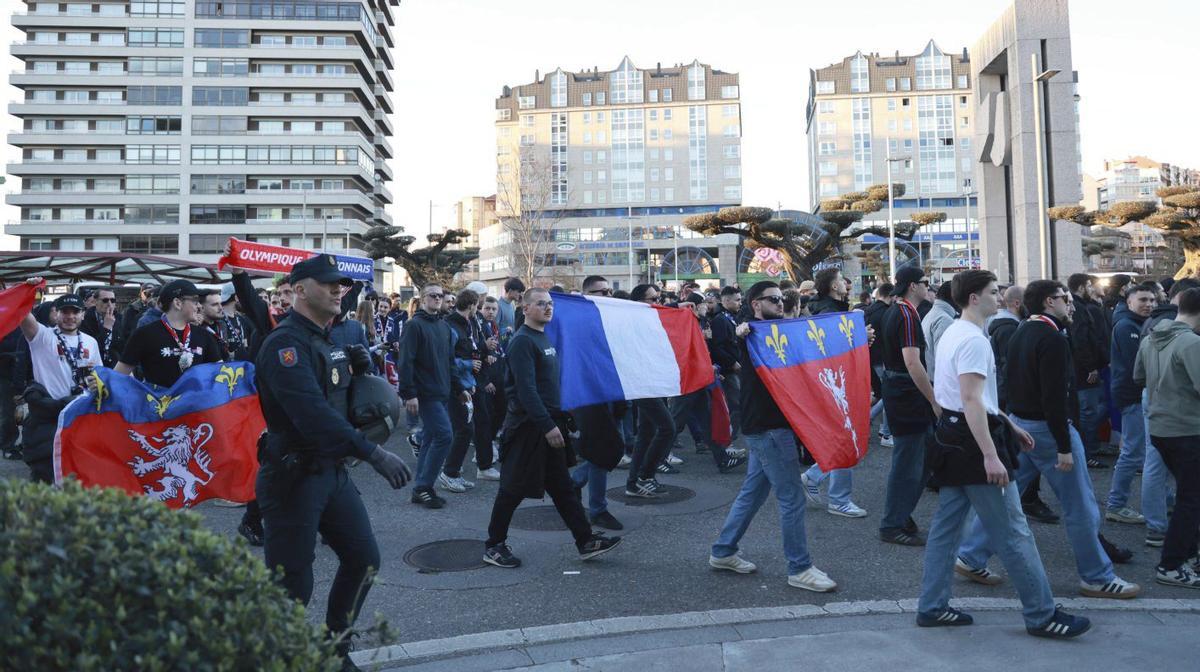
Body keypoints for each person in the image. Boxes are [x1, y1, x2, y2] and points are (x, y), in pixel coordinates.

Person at [253, 254, 412, 671]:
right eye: (328, 284)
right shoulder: (285, 344)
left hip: (330, 472)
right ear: (300, 290)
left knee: (364, 559)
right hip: (293, 477)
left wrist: (361, 373)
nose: (338, 289)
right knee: (292, 586)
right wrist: (374, 453)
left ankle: (332, 650)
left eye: (340, 283)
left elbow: (340, 403)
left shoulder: (327, 338)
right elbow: (312, 416)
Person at [917, 270, 1091, 638]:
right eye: (994, 292)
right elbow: (969, 399)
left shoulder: (956, 332)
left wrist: (1008, 425)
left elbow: (965, 397)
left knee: (946, 531)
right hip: (972, 442)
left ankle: (932, 607)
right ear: (975, 298)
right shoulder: (973, 340)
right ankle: (1042, 615)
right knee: (1014, 532)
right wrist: (991, 454)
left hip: (953, 437)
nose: (1002, 298)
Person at [955, 280, 1140, 599]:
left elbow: (1012, 381)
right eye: (1064, 299)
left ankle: (971, 555)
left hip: (1021, 424)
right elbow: (1055, 397)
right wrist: (1065, 446)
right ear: (1047, 302)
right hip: (1047, 430)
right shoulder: (1051, 337)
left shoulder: (1022, 330)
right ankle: (1097, 576)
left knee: (1003, 499)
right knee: (1080, 507)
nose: (1071, 304)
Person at [708, 280, 836, 592]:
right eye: (773, 300)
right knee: (791, 498)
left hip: (769, 428)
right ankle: (799, 568)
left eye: (782, 299)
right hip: (769, 429)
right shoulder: (752, 333)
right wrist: (742, 330)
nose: (781, 304)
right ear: (755, 304)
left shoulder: (779, 331)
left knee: (753, 493)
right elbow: (741, 335)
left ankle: (723, 551)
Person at [483, 288, 622, 568]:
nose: (548, 308)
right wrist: (547, 425)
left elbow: (547, 385)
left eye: (550, 304)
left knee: (562, 488)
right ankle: (494, 546)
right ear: (525, 308)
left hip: (548, 423)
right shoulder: (523, 341)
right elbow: (525, 391)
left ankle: (585, 541)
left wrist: (560, 416)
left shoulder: (541, 336)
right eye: (541, 304)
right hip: (527, 428)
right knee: (511, 489)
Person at [1135, 287, 1200, 588]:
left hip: (1161, 426)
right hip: (1188, 428)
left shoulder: (1151, 338)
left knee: (1189, 496)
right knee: (1190, 500)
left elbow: (1138, 377)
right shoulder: (1190, 343)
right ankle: (1171, 564)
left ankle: (1188, 556)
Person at [800, 268, 867, 518]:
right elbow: (829, 349)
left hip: (839, 381)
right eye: (840, 280)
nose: (845, 283)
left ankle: (815, 476)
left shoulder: (833, 309)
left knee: (845, 436)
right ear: (832, 287)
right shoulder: (829, 313)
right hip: (835, 382)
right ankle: (839, 498)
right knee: (847, 436)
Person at [17, 287, 102, 483]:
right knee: (46, 476)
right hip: (50, 418)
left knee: (77, 476)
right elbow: (20, 313)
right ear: (56, 314)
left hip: (79, 417)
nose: (70, 316)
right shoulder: (43, 337)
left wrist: (96, 385)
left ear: (83, 314)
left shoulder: (90, 342)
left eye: (75, 312)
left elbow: (100, 376)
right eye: (65, 312)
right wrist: (28, 289)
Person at [878, 267, 937, 546]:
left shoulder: (897, 310)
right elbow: (912, 363)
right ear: (913, 286)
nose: (929, 287)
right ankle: (892, 523)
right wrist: (933, 399)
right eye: (926, 283)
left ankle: (901, 514)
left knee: (921, 460)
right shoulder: (906, 313)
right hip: (906, 393)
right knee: (908, 464)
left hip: (900, 390)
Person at [397, 284, 464, 509]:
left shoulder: (444, 327)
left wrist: (460, 388)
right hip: (425, 394)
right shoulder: (413, 325)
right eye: (433, 295)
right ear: (423, 298)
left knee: (429, 438)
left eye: (440, 296)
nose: (437, 299)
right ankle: (423, 487)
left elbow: (450, 361)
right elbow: (405, 362)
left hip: (443, 391)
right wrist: (409, 393)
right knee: (445, 436)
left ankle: (421, 487)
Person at [1105, 283, 1159, 525]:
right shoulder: (1127, 325)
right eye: (1143, 300)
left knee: (1144, 452)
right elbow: (1138, 362)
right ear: (1129, 303)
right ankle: (1116, 505)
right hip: (1133, 396)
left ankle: (1162, 502)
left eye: (1152, 300)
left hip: (1139, 395)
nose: (1149, 304)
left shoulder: (1141, 324)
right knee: (1132, 452)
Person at [116, 280, 223, 389]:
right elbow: (118, 377)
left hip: (193, 404)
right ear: (178, 303)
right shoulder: (144, 334)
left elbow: (222, 374)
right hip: (157, 404)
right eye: (195, 301)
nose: (200, 306)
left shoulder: (203, 335)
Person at [624, 284, 676, 497]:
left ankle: (634, 482)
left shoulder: (650, 317)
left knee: (646, 432)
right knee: (668, 428)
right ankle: (644, 475)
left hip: (654, 381)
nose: (657, 302)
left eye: (659, 298)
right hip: (640, 383)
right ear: (638, 302)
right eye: (652, 298)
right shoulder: (629, 321)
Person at [440, 289, 488, 493]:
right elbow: (446, 359)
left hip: (467, 384)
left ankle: (453, 472)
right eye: (478, 305)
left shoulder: (467, 324)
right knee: (463, 430)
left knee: (467, 429)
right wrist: (468, 365)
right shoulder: (451, 326)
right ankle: (449, 474)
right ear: (472, 305)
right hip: (456, 386)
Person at [1068, 274, 1111, 468]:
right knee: (1088, 412)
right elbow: (1080, 340)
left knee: (1091, 410)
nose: (1092, 289)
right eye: (1088, 285)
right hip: (1084, 371)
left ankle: (1090, 448)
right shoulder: (1078, 308)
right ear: (1080, 287)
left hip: (1087, 368)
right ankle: (1086, 454)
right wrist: (1090, 366)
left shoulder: (1082, 306)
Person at [709, 286, 744, 441]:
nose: (740, 303)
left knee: (735, 405)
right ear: (726, 300)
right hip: (728, 371)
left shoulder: (729, 317)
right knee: (734, 406)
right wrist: (732, 362)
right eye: (737, 300)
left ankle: (728, 438)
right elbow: (717, 347)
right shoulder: (720, 320)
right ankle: (727, 439)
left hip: (733, 368)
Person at [864, 283, 894, 447]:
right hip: (881, 359)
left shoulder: (868, 310)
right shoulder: (886, 313)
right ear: (890, 295)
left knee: (882, 394)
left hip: (867, 357)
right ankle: (885, 433)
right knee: (887, 395)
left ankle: (882, 428)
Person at [922, 281, 959, 382]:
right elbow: (943, 359)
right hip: (938, 382)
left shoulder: (934, 314)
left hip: (933, 379)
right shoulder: (944, 320)